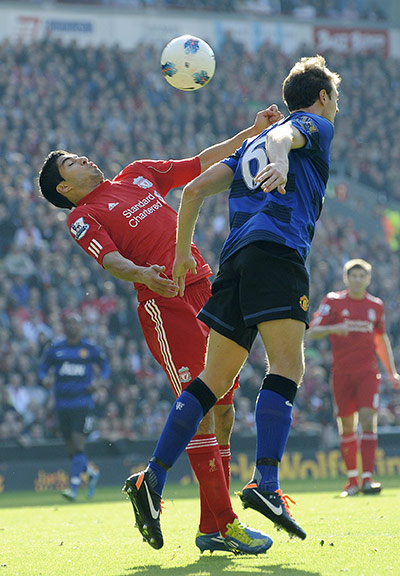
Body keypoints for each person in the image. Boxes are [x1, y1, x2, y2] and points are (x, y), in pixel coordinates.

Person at [38, 106, 283, 554]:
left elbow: (199, 163)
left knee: (225, 410)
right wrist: (144, 275)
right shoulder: (81, 217)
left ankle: (210, 526)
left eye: (77, 154)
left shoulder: (138, 173)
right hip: (164, 301)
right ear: (64, 187)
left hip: (205, 286)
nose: (85, 158)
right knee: (202, 407)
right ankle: (225, 524)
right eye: (72, 162)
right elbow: (109, 260)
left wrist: (250, 131)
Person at [124, 54, 341, 550]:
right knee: (287, 369)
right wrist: (283, 155)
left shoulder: (247, 147)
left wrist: (181, 257)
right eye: (334, 100)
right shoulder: (312, 125)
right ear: (324, 97)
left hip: (235, 262)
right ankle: (266, 482)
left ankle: (152, 478)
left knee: (211, 382)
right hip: (278, 252)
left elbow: (195, 191)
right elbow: (289, 136)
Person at [308, 258, 400, 497]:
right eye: (354, 276)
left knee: (369, 419)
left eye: (362, 276)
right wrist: (333, 329)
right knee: (347, 425)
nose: (358, 280)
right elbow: (313, 331)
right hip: (342, 373)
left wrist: (391, 372)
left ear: (368, 279)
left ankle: (368, 478)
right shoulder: (333, 301)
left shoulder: (376, 306)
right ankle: (351, 481)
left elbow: (381, 340)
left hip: (368, 373)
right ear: (346, 279)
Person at [38, 314, 110, 500]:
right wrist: (43, 378)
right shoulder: (56, 348)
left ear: (81, 327)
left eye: (75, 323)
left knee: (78, 443)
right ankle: (91, 473)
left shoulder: (89, 348)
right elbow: (42, 367)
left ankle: (74, 488)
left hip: (82, 403)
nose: (72, 326)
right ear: (64, 327)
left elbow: (105, 366)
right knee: (71, 448)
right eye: (69, 323)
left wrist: (99, 382)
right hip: (61, 403)